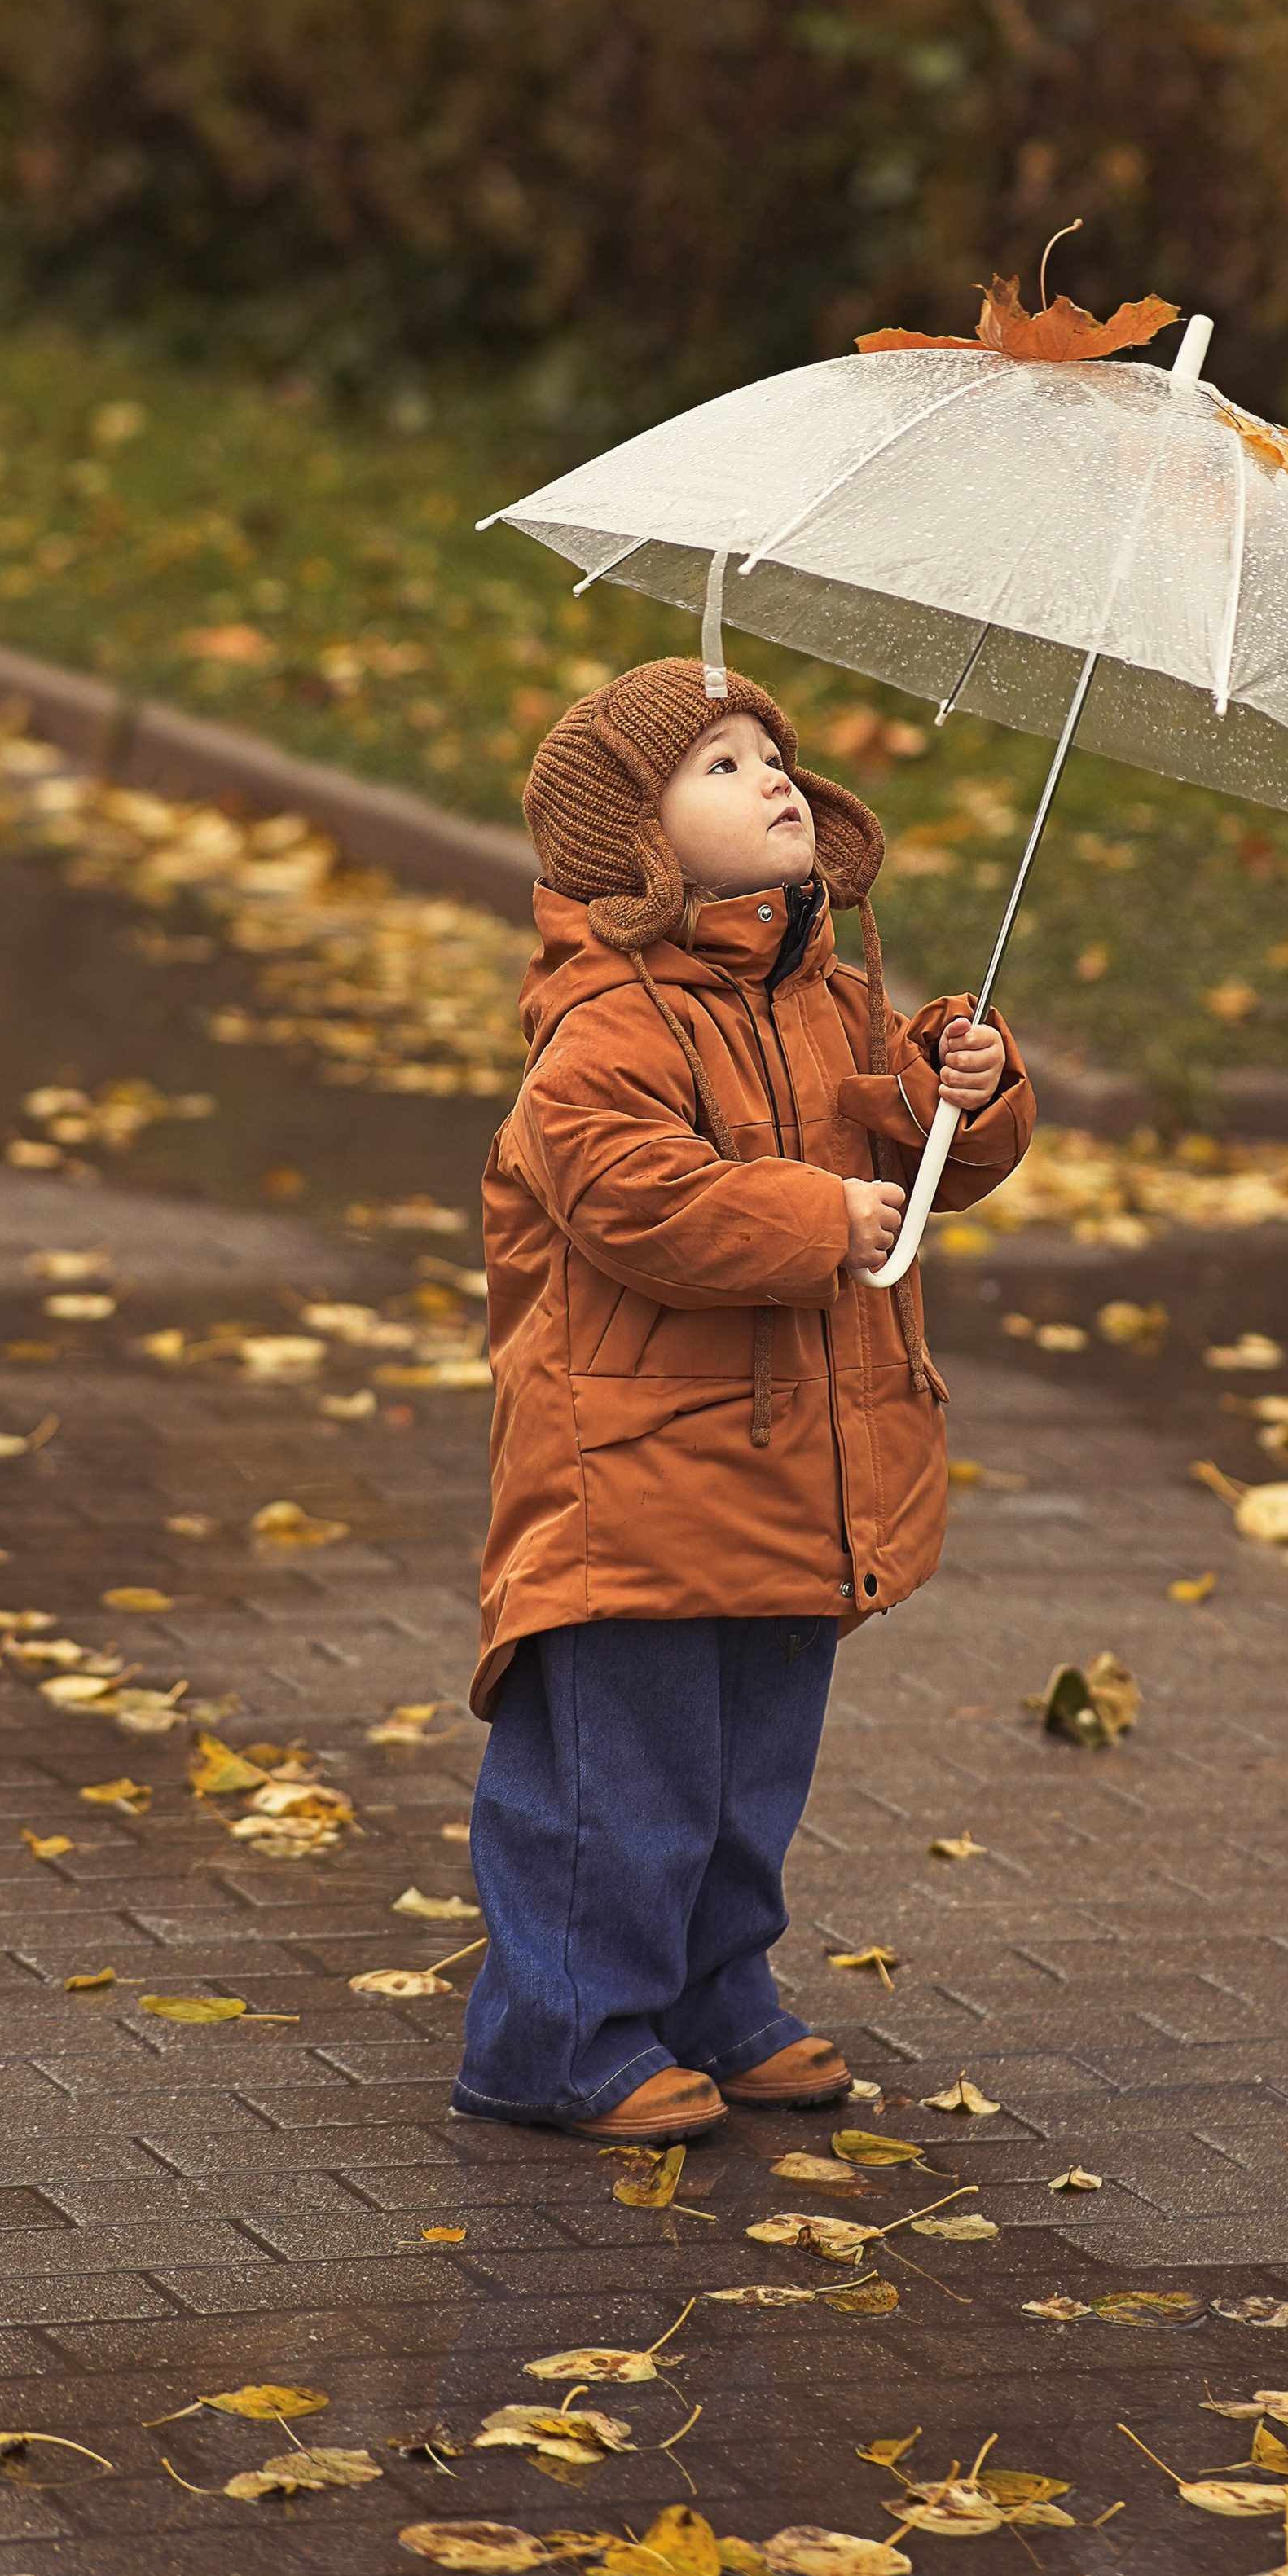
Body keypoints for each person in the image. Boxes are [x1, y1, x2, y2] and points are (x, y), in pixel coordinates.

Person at [451, 656, 1035, 2143]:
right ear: (630, 844)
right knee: (616, 1785)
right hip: (634, 1478)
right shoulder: (605, 1023)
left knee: (744, 1780)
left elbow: (916, 1167)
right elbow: (636, 1199)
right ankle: (561, 2033)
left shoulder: (834, 1000)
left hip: (794, 1469)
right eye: (719, 766)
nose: (773, 777)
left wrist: (957, 1088)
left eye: (772, 754)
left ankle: (716, 1994)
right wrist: (806, 1219)